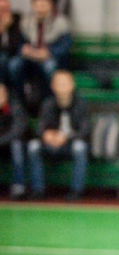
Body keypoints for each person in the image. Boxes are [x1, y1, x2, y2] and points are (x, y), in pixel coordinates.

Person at [27, 70, 90, 201]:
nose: (62, 88)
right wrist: (46, 135)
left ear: (72, 85)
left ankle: (76, 190)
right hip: (50, 145)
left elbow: (85, 131)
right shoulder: (47, 104)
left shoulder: (82, 104)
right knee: (33, 146)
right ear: (53, 86)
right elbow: (39, 129)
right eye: (59, 84)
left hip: (70, 146)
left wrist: (66, 137)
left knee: (80, 147)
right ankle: (38, 190)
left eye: (65, 84)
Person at [10, 0, 73, 98]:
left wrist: (49, 52)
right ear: (33, 6)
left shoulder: (61, 22)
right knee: (14, 65)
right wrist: (24, 49)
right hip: (30, 57)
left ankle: (49, 98)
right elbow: (19, 42)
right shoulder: (26, 22)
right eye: (38, 5)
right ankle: (21, 96)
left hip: (50, 57)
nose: (40, 8)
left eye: (43, 4)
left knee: (49, 66)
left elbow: (65, 46)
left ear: (50, 5)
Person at [0, 83, 28, 199]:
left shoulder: (15, 107)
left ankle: (19, 186)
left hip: (12, 146)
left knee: (16, 145)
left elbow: (17, 131)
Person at [0, 0, 25, 88]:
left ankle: (16, 92)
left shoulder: (16, 19)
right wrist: (2, 28)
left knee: (13, 64)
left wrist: (9, 26)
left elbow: (18, 43)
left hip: (16, 53)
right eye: (1, 9)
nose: (4, 12)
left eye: (6, 9)